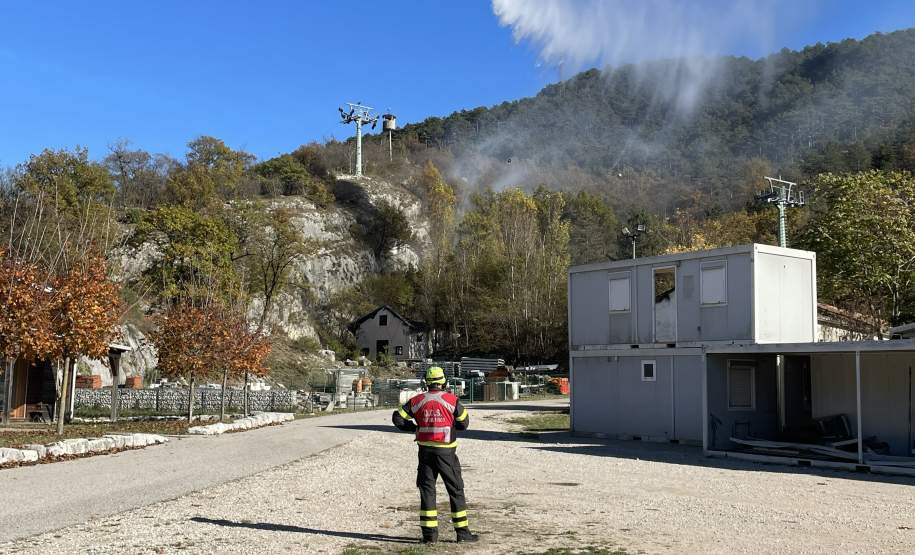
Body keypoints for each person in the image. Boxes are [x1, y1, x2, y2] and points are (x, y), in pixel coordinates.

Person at [392, 366, 479, 544]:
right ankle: (462, 533)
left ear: (427, 382)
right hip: (446, 453)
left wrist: (415, 428)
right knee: (455, 490)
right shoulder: (451, 400)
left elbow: (397, 418)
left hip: (425, 453)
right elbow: (464, 424)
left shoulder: (417, 400)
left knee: (427, 491)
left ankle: (429, 536)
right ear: (443, 381)